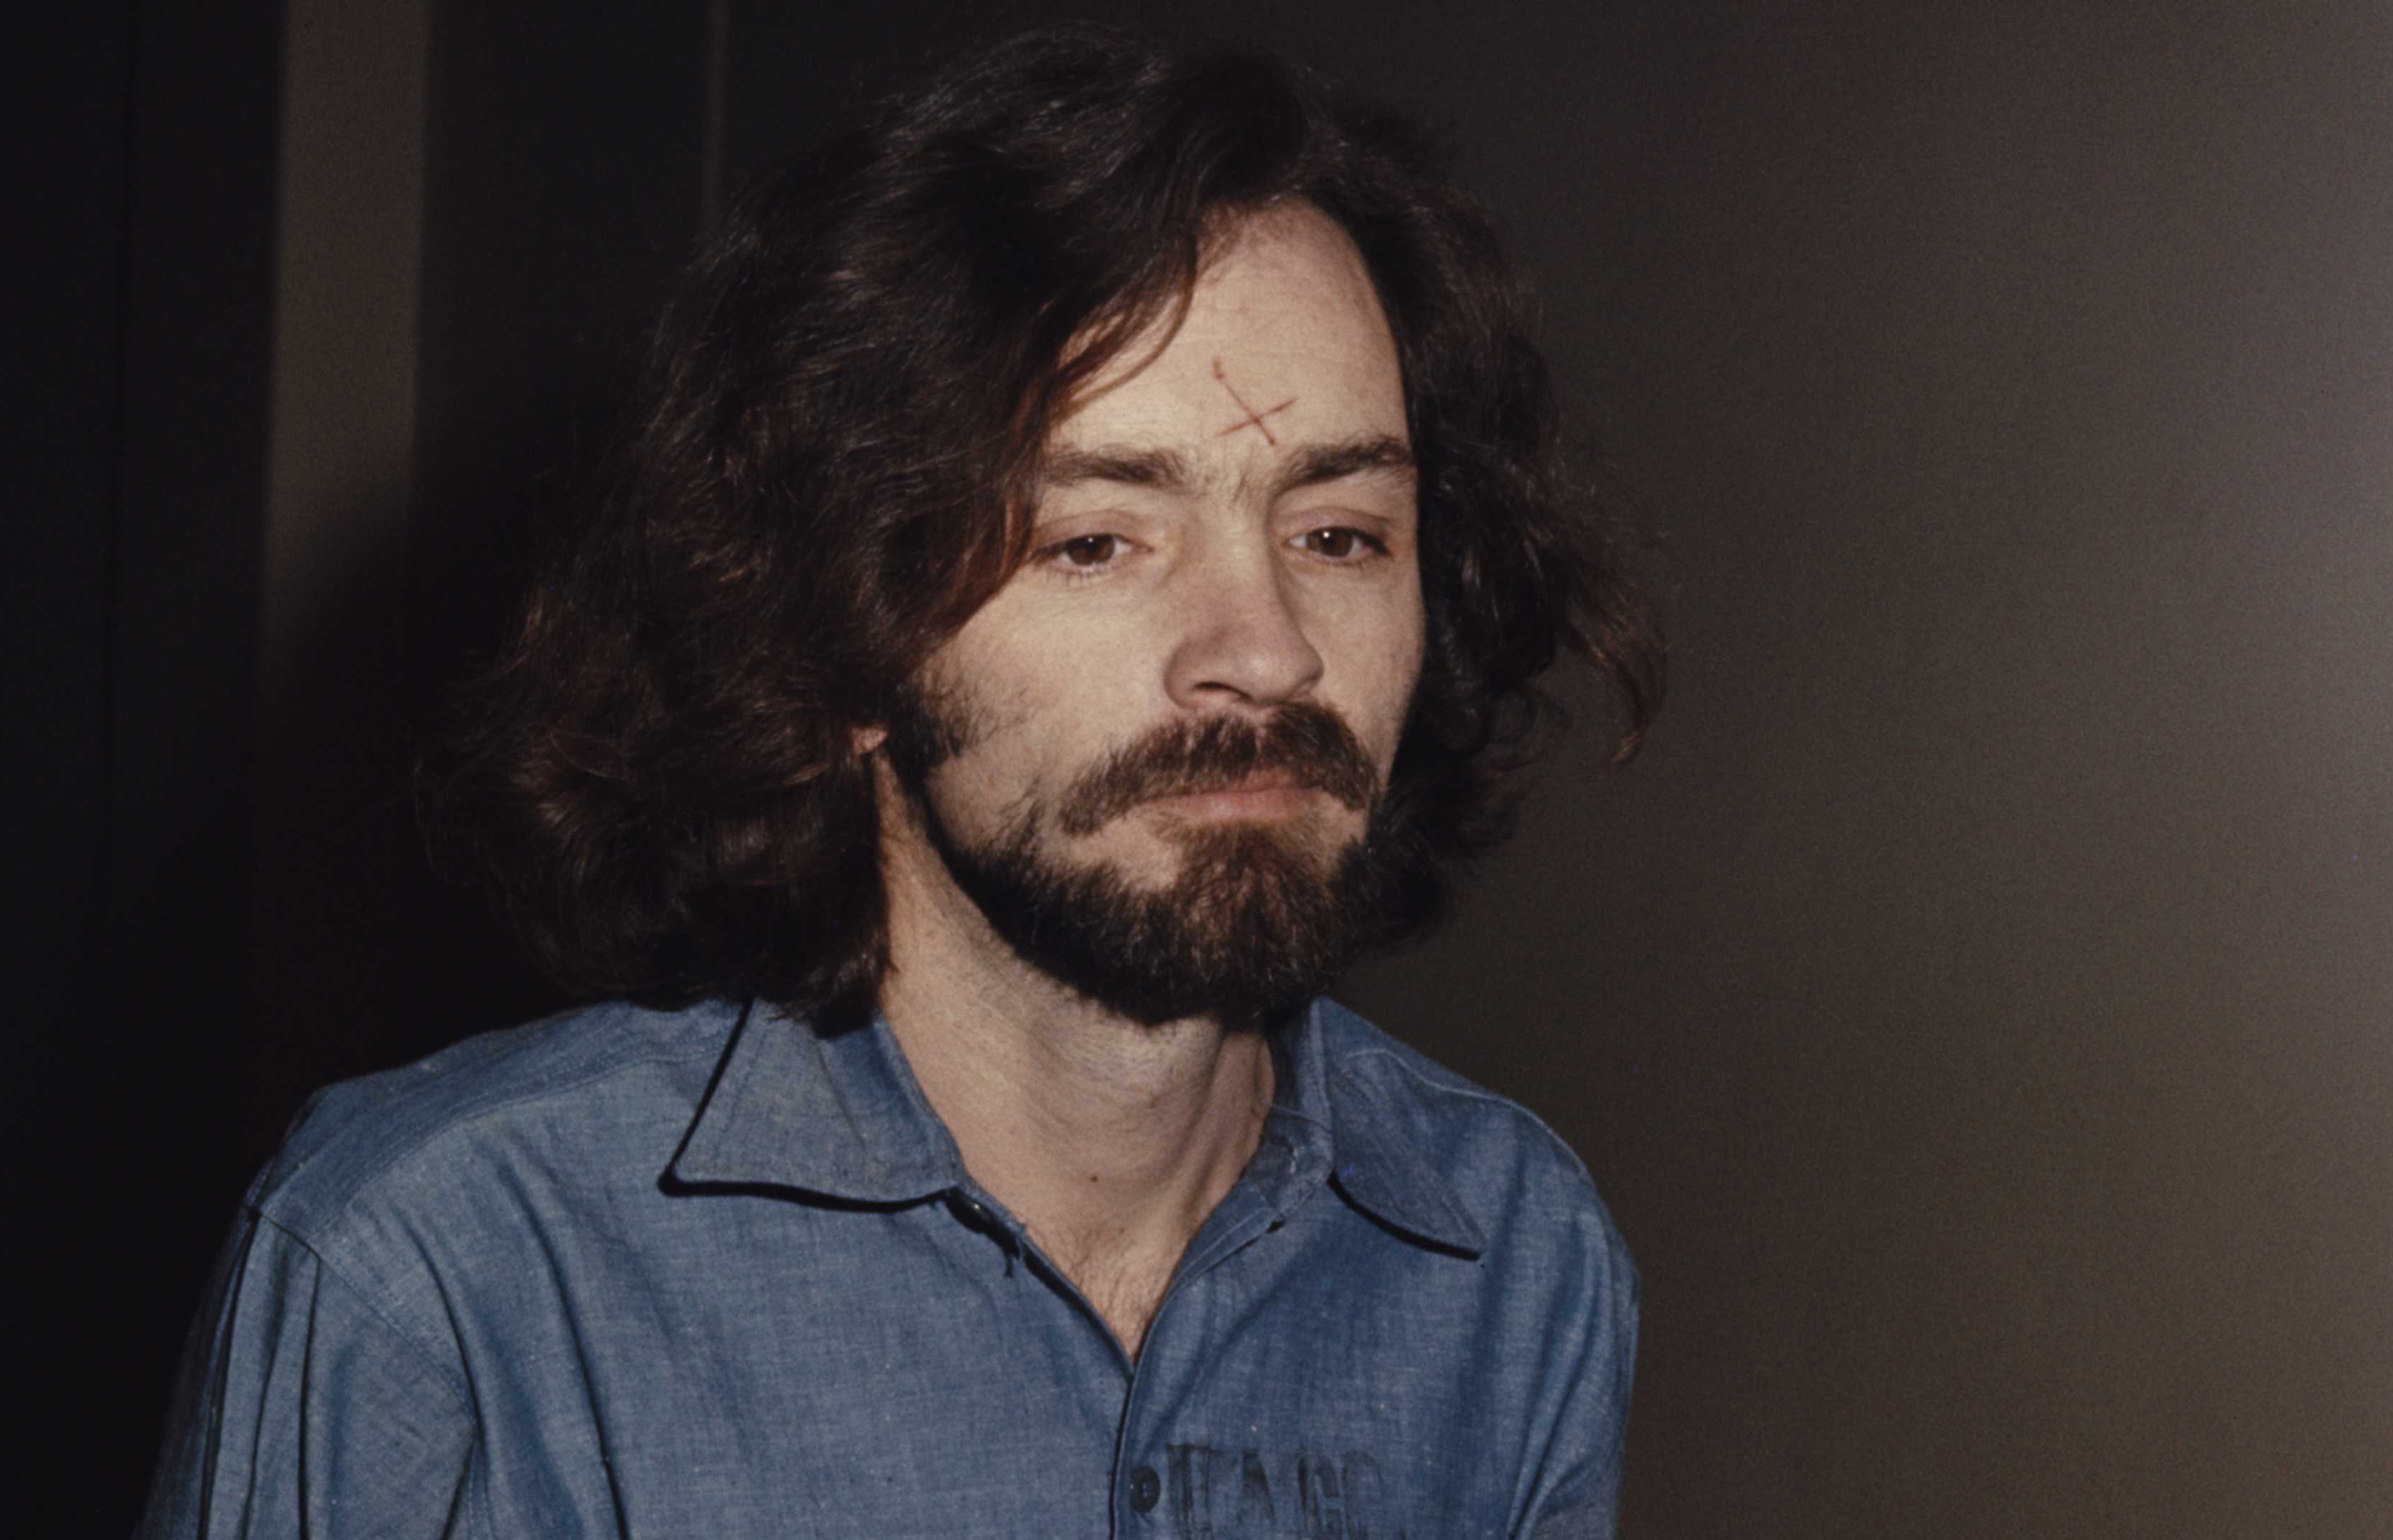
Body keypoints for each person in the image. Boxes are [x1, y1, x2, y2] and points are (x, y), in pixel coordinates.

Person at [143, 24, 1662, 1539]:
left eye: (1339, 533)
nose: (1264, 652)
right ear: (842, 639)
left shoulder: (1512, 1266)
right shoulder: (442, 1266)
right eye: (1095, 541)